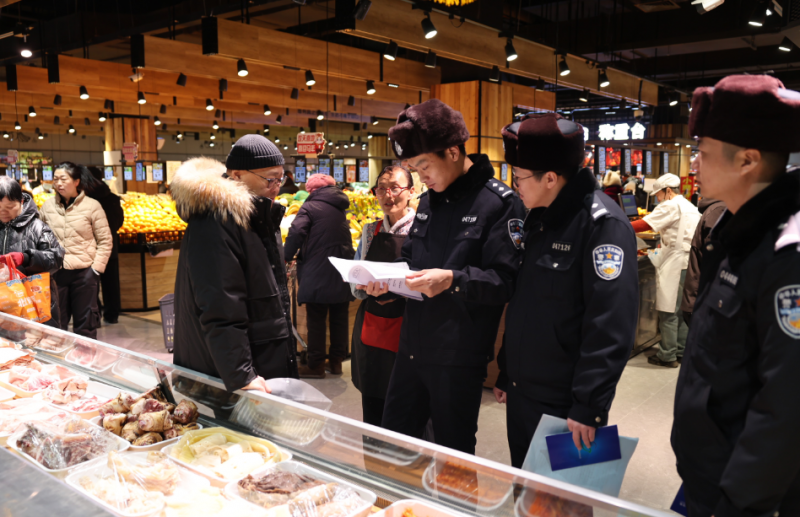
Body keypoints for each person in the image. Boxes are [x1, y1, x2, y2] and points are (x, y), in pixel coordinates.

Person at [671, 75, 800, 516]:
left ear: (747, 160)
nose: (694, 164)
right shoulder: (734, 229)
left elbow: (786, 403)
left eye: (703, 153)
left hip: (739, 497)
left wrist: (739, 501)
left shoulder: (786, 255)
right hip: (708, 475)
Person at [369, 99, 524, 454]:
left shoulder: (500, 203)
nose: (421, 176)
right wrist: (386, 284)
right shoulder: (428, 202)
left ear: (453, 152)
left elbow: (506, 281)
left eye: (424, 165)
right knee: (392, 448)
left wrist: (454, 279)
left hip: (458, 356)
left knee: (454, 459)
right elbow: (410, 262)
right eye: (414, 168)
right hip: (410, 348)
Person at [493, 113, 638, 467]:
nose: (515, 185)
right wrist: (507, 370)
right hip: (523, 392)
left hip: (564, 402)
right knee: (527, 488)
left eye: (519, 176)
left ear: (550, 178)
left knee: (559, 495)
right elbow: (527, 303)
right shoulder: (540, 218)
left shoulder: (601, 225)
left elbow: (610, 324)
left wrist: (589, 405)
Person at [171, 135, 298, 394]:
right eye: (270, 179)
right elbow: (220, 307)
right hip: (232, 374)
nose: (277, 187)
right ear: (237, 175)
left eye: (281, 179)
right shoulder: (216, 221)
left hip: (259, 356)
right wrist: (241, 376)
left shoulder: (258, 214)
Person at [350, 165, 416, 426]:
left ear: (411, 192)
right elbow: (354, 286)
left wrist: (400, 291)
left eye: (395, 188)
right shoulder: (370, 231)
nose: (388, 195)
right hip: (372, 326)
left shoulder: (423, 231)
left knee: (408, 410)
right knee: (373, 407)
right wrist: (362, 287)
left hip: (410, 328)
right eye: (381, 189)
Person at [284, 174, 355, 379]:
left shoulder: (310, 206)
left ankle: (315, 365)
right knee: (339, 316)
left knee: (316, 317)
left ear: (312, 190)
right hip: (342, 268)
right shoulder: (340, 207)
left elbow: (296, 231)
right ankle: (336, 362)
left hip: (318, 268)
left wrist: (286, 256)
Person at [631, 173, 700, 367]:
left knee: (668, 310)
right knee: (682, 309)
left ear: (668, 191)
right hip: (689, 262)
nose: (658, 199)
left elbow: (644, 224)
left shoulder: (671, 205)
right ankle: (681, 350)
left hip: (676, 262)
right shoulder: (689, 206)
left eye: (659, 195)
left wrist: (619, 226)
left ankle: (667, 355)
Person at [39, 162, 112, 339]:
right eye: (55, 179)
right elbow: (39, 238)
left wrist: (95, 270)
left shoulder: (92, 206)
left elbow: (105, 241)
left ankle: (86, 357)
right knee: (57, 324)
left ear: (76, 181)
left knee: (86, 324)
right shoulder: (47, 206)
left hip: (84, 274)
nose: (58, 183)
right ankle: (60, 357)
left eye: (63, 179)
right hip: (56, 274)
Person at [0, 176, 64, 328]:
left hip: (33, 305)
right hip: (3, 306)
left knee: (33, 340)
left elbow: (56, 258)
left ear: (21, 201)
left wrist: (27, 258)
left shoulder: (38, 228)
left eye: (9, 207)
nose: (3, 212)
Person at [85, 167, 124, 324]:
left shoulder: (84, 200)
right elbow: (119, 222)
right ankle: (112, 315)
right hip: (109, 247)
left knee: (91, 284)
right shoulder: (112, 198)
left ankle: (95, 316)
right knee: (111, 284)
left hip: (89, 248)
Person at [679, 196, 726, 326]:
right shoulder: (719, 211)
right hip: (703, 301)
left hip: (700, 299)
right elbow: (714, 264)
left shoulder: (717, 210)